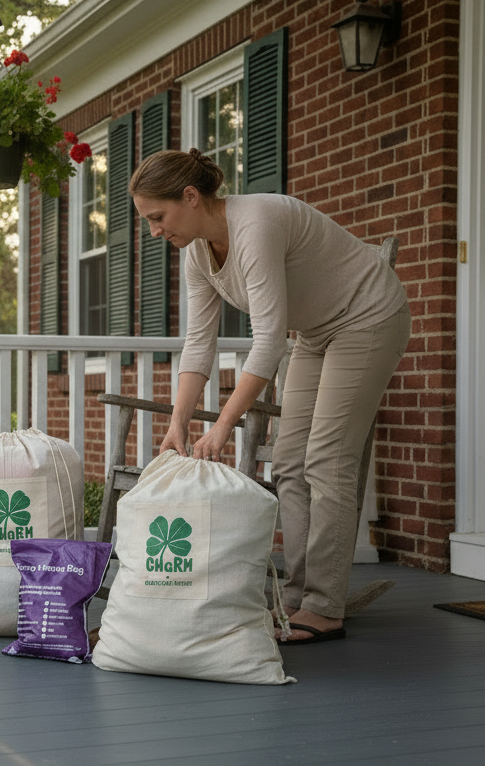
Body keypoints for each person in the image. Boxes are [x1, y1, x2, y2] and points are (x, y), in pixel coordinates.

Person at [129, 148, 410, 645]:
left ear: (190, 197)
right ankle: (302, 595)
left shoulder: (255, 224)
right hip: (317, 332)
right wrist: (179, 422)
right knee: (288, 463)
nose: (154, 231)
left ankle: (324, 606)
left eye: (158, 217)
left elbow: (268, 341)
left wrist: (221, 426)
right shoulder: (197, 251)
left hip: (367, 316)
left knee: (326, 459)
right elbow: (199, 345)